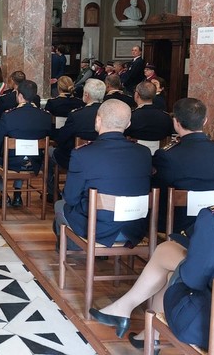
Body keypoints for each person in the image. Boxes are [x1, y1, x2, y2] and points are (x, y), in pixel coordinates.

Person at [90, 145, 214, 352]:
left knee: (173, 271)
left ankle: (142, 326)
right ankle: (142, 329)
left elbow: (193, 279)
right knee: (169, 254)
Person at [54, 98, 152, 248]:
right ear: (128, 124)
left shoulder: (83, 154)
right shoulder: (144, 153)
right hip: (133, 230)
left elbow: (71, 198)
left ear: (98, 120)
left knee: (60, 206)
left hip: (98, 230)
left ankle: (73, 248)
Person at [152, 98, 214, 233]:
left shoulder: (167, 155)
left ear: (175, 122)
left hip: (179, 227)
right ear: (205, 121)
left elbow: (157, 191)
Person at [0, 80, 52, 208]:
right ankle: (18, 194)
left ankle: (4, 193)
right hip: (36, 161)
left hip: (11, 161)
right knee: (23, 155)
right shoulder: (46, 116)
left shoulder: (9, 116)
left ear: (19, 96)